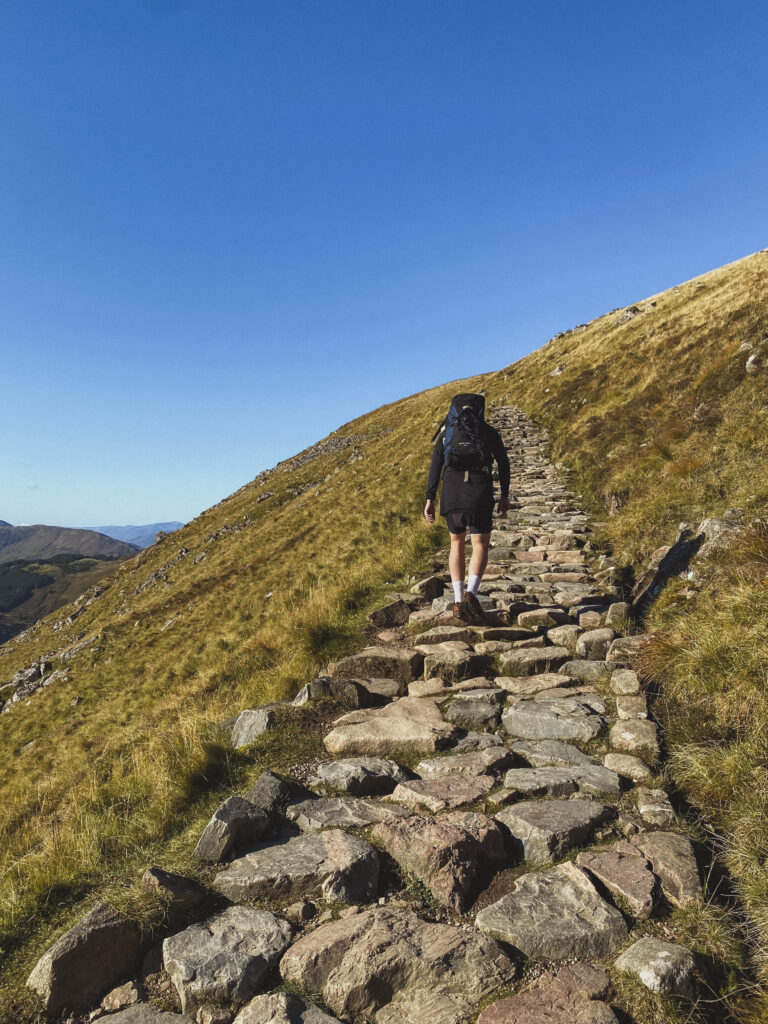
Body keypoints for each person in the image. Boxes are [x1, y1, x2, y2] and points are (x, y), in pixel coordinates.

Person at [424, 393, 510, 624]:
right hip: (480, 489)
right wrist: (504, 495)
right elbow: (503, 463)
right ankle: (472, 592)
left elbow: (435, 468)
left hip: (453, 490)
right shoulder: (488, 432)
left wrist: (430, 498)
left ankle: (458, 600)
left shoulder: (446, 435)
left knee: (456, 543)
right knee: (480, 543)